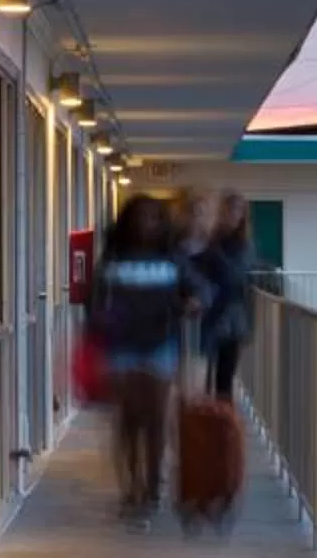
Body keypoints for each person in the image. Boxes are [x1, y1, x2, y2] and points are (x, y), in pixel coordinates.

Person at [93, 194, 189, 523]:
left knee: (157, 421)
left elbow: (193, 290)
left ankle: (152, 489)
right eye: (140, 216)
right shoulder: (114, 256)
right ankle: (130, 489)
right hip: (122, 347)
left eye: (153, 217)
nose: (147, 223)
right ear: (128, 221)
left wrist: (191, 303)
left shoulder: (171, 256)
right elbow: (95, 298)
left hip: (160, 345)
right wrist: (99, 331)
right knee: (128, 422)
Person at [187, 192, 255, 402]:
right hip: (213, 313)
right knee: (206, 373)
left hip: (231, 316)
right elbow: (197, 266)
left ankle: (222, 424)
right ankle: (211, 419)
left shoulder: (243, 244)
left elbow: (236, 276)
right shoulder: (213, 239)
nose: (232, 216)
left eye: (237, 212)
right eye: (229, 210)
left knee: (224, 377)